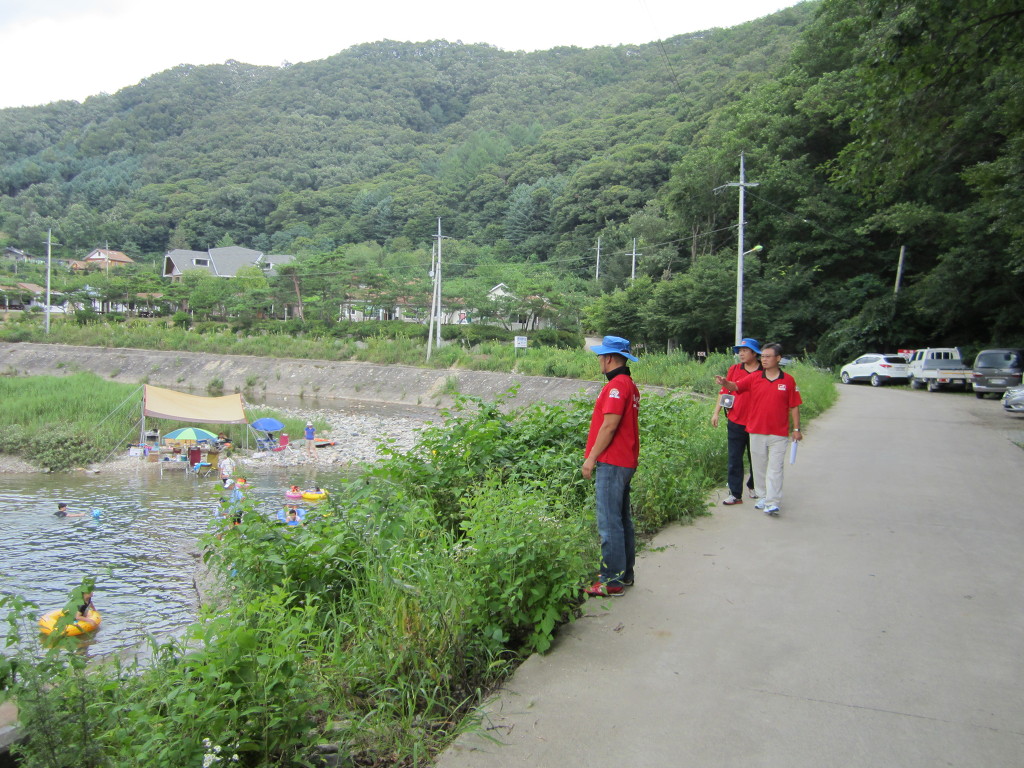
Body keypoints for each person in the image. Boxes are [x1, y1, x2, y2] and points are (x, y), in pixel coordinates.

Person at [581, 336, 641, 597]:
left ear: (608, 358)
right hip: (625, 460)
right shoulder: (629, 384)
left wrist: (591, 458)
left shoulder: (617, 386)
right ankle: (623, 574)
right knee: (621, 520)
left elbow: (609, 425)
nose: (599, 361)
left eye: (600, 356)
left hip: (613, 461)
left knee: (609, 523)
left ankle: (611, 580)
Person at [716, 342, 803, 517]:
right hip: (755, 430)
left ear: (778, 358)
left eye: (768, 356)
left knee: (775, 468)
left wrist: (796, 428)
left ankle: (773, 502)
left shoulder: (788, 380)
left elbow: (794, 405)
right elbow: (735, 387)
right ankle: (762, 497)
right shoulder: (754, 377)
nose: (764, 359)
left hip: (778, 433)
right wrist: (725, 382)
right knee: (758, 467)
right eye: (763, 356)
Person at [711, 338, 762, 505]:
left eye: (745, 350)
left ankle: (754, 486)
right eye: (739, 350)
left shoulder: (763, 371)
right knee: (734, 458)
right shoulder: (734, 369)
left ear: (754, 353)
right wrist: (716, 413)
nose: (741, 353)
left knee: (757, 457)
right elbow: (725, 391)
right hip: (736, 420)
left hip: (757, 422)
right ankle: (735, 493)